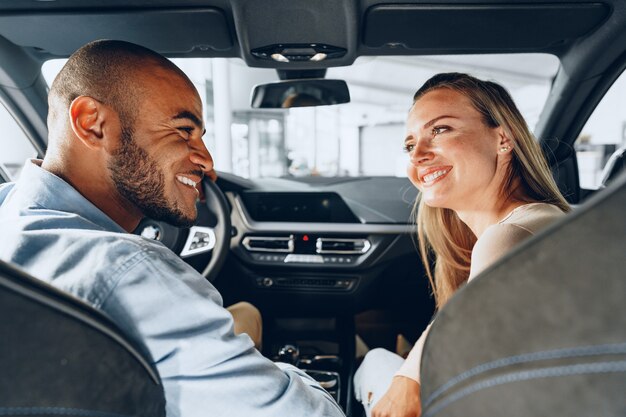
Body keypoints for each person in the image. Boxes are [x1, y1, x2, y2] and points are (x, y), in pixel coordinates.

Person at [0, 40, 344, 417]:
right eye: (183, 130)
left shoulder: (8, 209)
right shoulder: (132, 270)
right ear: (91, 123)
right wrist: (295, 373)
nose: (208, 163)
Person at [353, 73, 570, 417]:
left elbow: (413, 402)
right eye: (410, 145)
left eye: (440, 130)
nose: (418, 155)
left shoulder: (511, 236)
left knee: (372, 362)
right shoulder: (545, 220)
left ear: (502, 138)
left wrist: (408, 378)